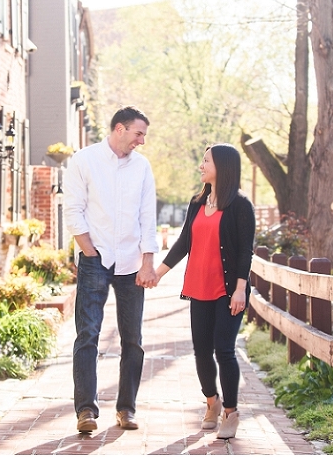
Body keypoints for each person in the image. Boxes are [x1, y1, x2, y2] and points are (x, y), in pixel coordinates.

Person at [63, 106, 158, 433]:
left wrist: (148, 262)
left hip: (132, 263)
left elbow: (148, 217)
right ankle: (86, 411)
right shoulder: (83, 160)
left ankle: (126, 409)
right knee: (88, 335)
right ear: (120, 129)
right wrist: (89, 253)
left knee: (133, 338)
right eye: (138, 133)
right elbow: (73, 210)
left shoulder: (142, 167)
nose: (142, 141)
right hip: (94, 259)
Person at [153, 143, 256, 439]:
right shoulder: (197, 203)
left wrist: (240, 289)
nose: (201, 165)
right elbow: (184, 242)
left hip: (227, 291)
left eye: (206, 161)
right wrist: (157, 274)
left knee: (223, 350)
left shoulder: (240, 205)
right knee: (200, 352)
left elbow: (244, 253)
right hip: (198, 287)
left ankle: (231, 413)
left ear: (222, 167)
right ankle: (212, 401)